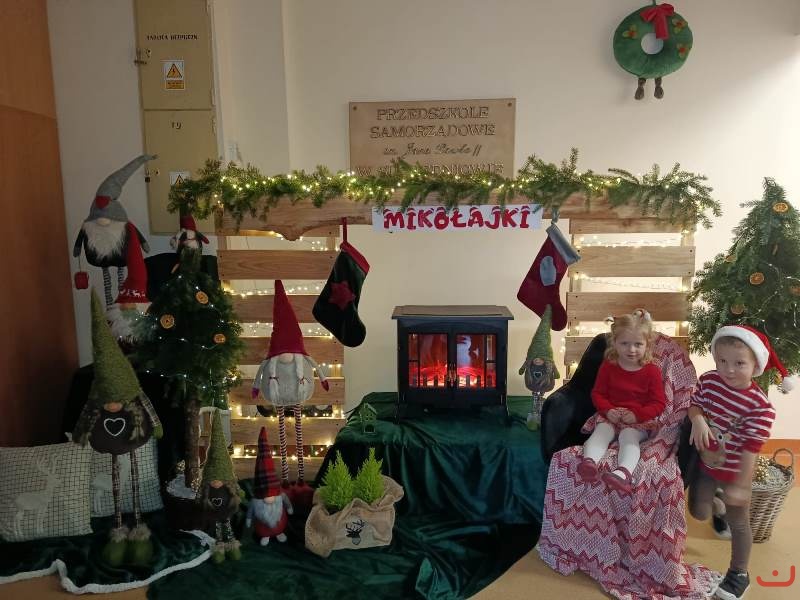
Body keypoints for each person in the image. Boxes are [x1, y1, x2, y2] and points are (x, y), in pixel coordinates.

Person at [688, 325, 783, 600]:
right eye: (722, 361)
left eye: (739, 363)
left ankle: (739, 574)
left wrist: (741, 486)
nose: (728, 370)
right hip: (706, 465)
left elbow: (751, 450)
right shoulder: (709, 381)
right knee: (698, 512)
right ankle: (716, 505)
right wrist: (698, 419)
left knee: (739, 524)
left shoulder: (760, 407)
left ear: (755, 365)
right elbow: (695, 405)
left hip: (737, 473)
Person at [577, 309, 667, 493]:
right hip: (610, 415)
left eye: (638, 344)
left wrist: (637, 415)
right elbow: (598, 394)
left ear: (647, 344)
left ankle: (622, 473)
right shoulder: (608, 366)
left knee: (628, 437)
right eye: (624, 343)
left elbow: (658, 403)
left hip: (638, 421)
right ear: (615, 343)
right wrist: (608, 410)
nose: (631, 349)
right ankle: (589, 463)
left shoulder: (652, 371)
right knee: (601, 432)